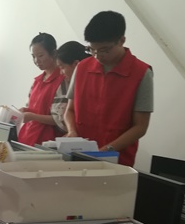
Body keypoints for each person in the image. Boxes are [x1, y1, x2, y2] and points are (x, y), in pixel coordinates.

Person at [64, 11, 153, 166]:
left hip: (116, 159)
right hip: (79, 156)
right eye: (92, 49)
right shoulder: (82, 68)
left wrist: (107, 150)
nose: (97, 55)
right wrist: (72, 131)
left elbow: (140, 126)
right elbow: (70, 110)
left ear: (121, 41)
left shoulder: (141, 73)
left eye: (104, 50)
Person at [17, 32, 67, 145]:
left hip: (47, 142)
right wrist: (24, 111)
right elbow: (32, 108)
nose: (36, 61)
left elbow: (60, 119)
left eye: (40, 56)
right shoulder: (37, 81)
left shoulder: (62, 80)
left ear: (53, 53)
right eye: (33, 57)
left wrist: (32, 116)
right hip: (28, 137)